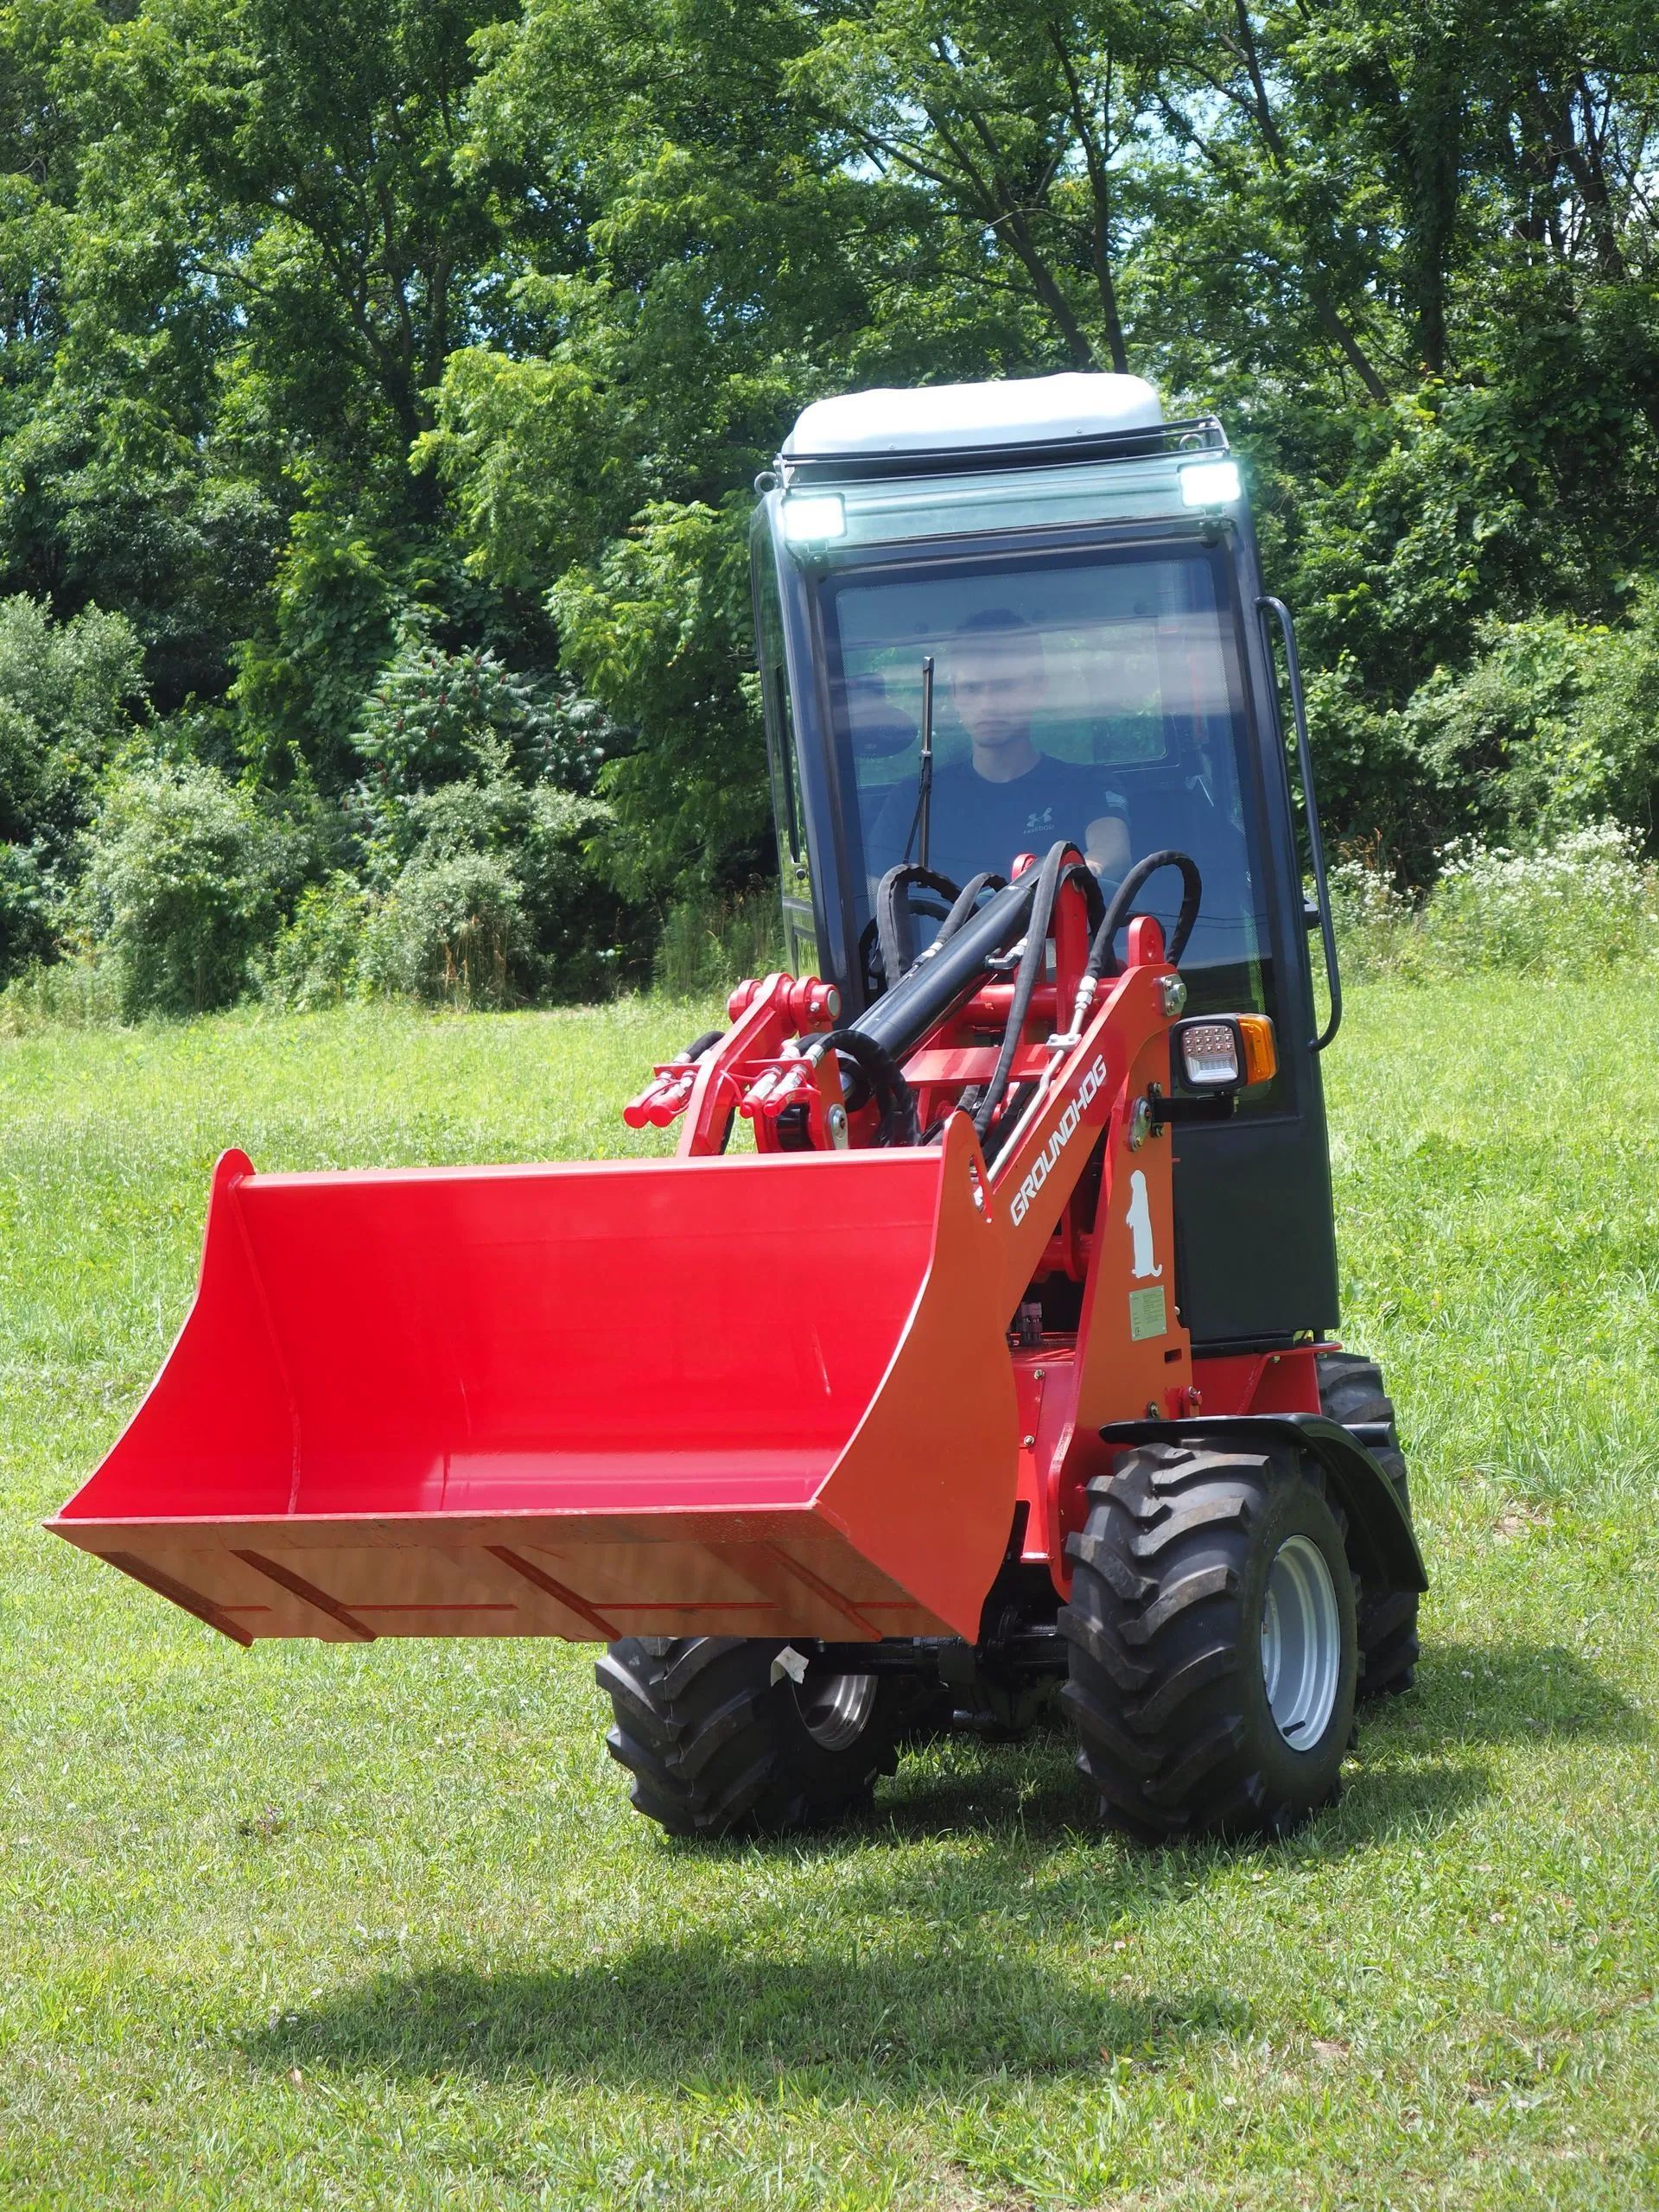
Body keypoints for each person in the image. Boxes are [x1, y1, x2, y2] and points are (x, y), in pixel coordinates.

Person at [868, 608, 1132, 889]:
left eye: (1004, 687)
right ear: (955, 696)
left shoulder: (1087, 785)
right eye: (972, 689)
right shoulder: (915, 801)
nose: (987, 704)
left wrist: (1074, 873)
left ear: (1038, 688)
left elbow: (1111, 852)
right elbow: (876, 897)